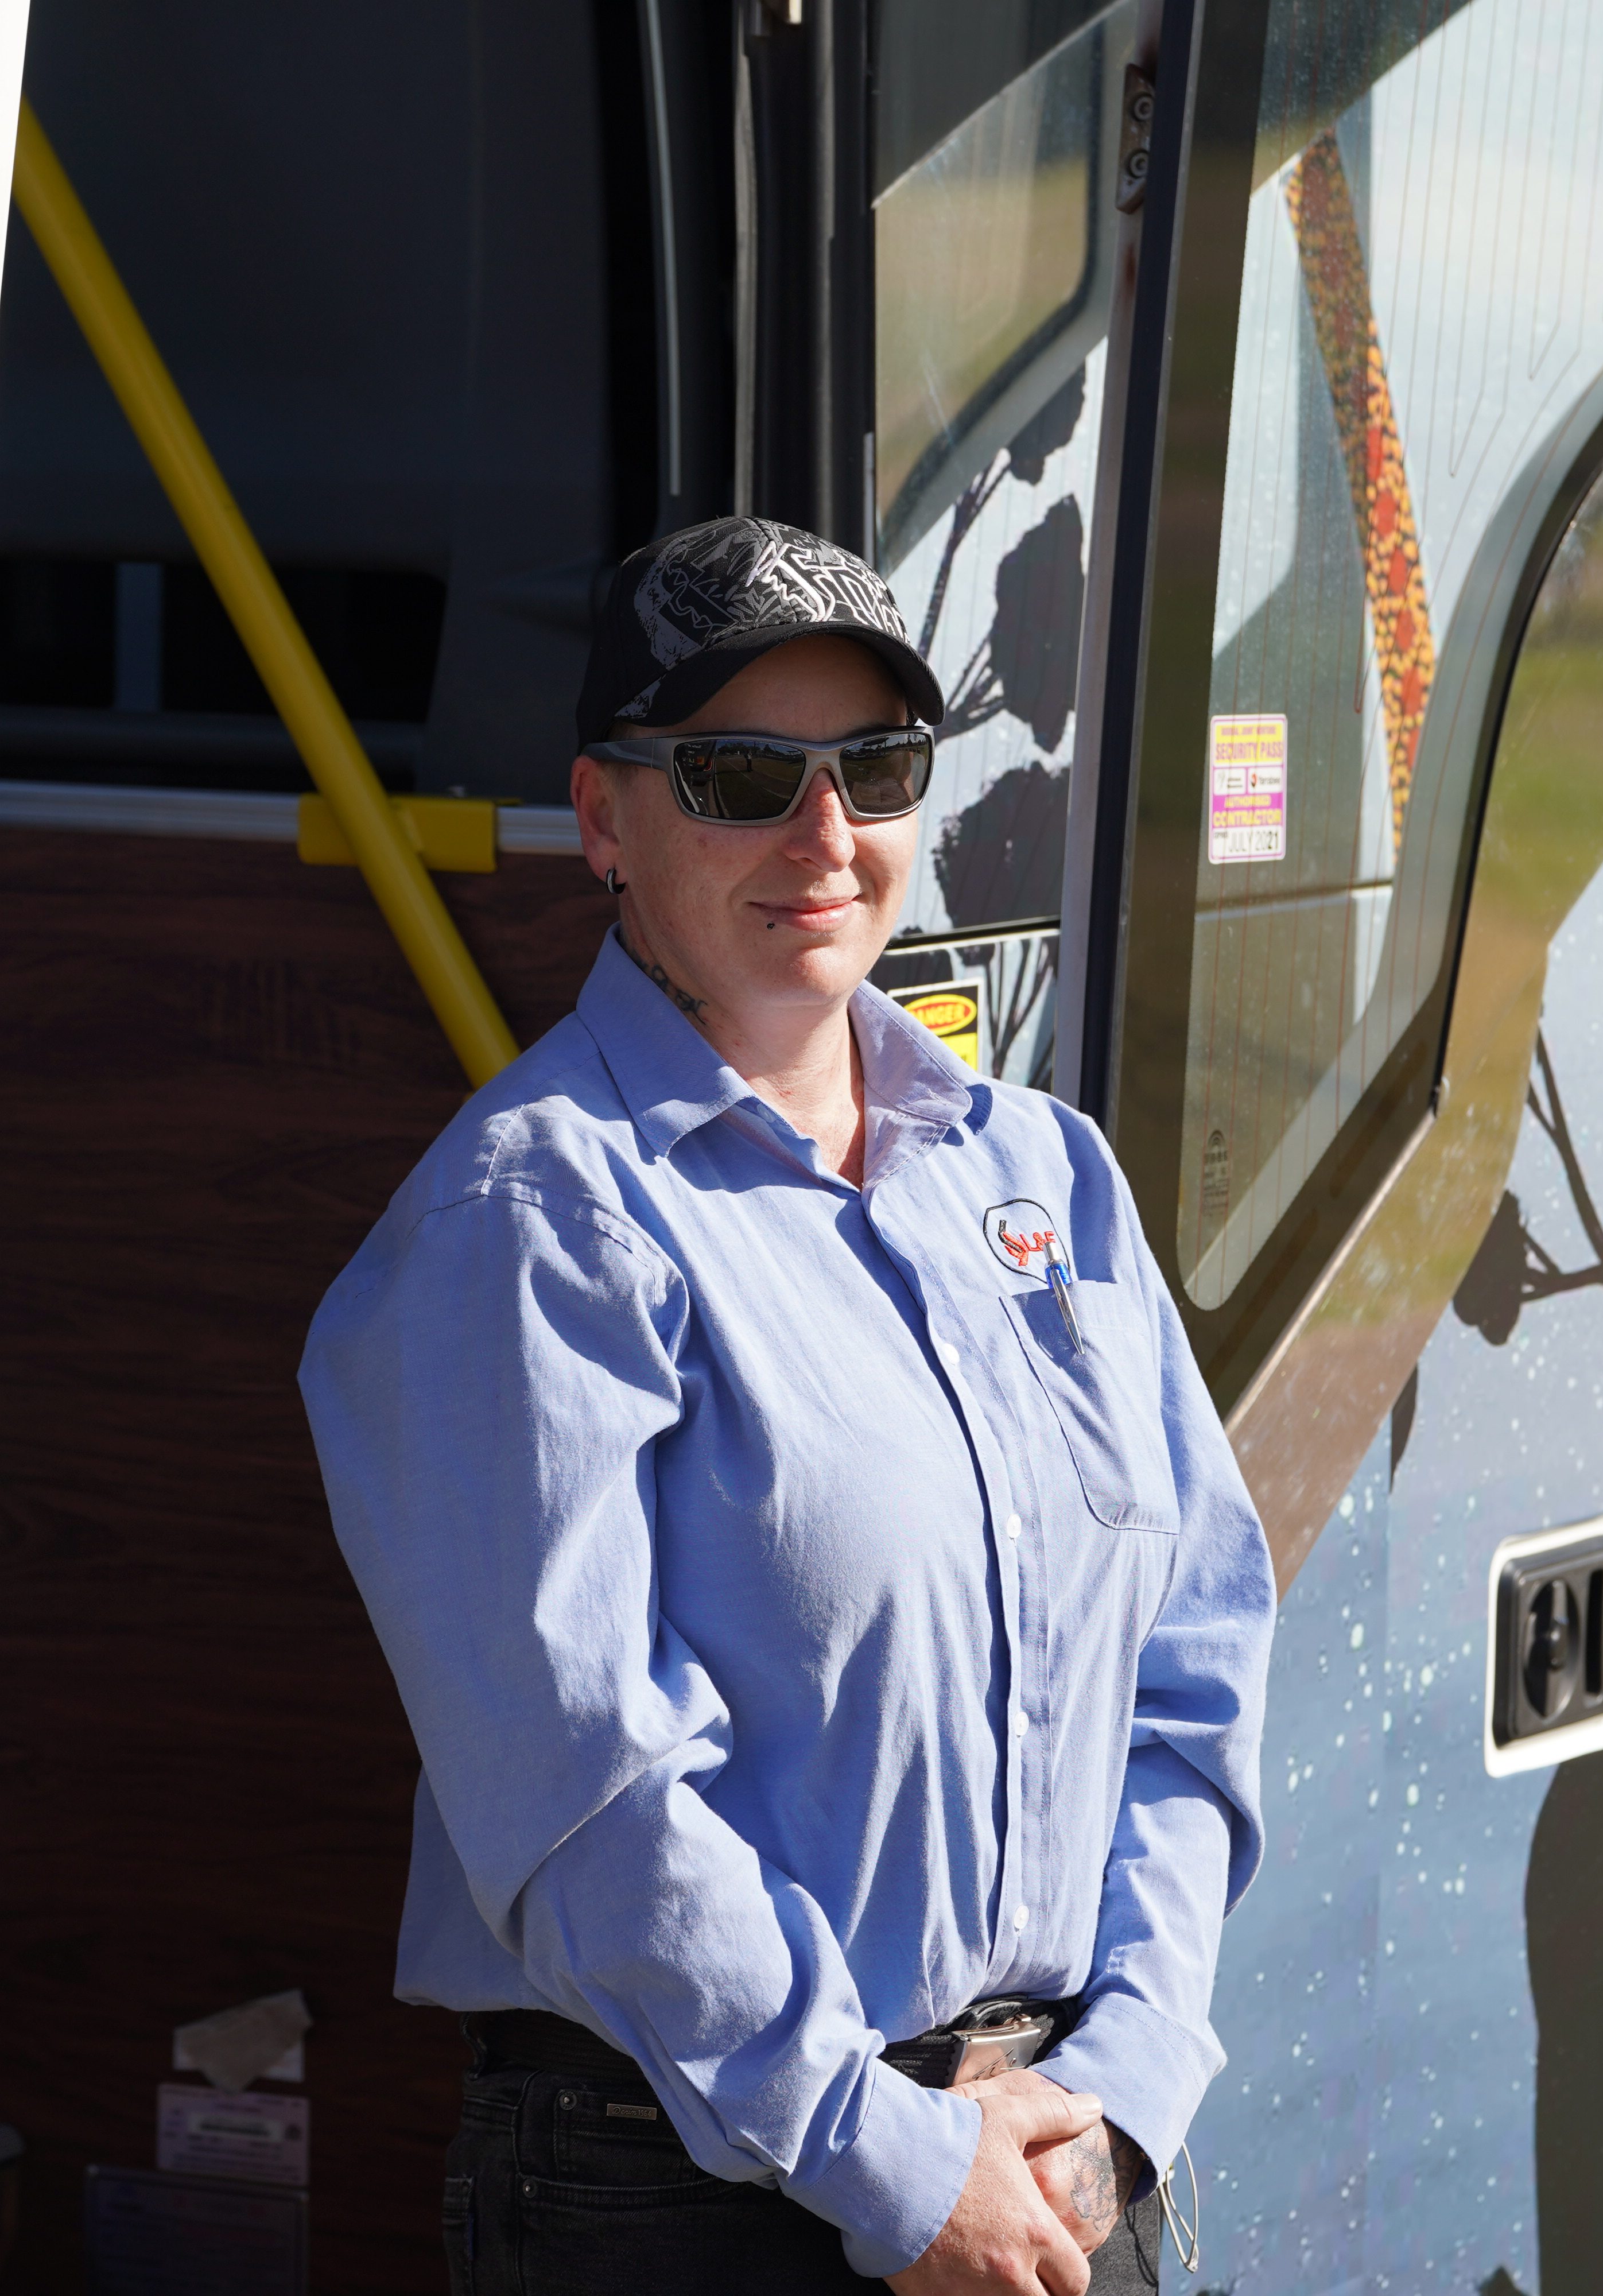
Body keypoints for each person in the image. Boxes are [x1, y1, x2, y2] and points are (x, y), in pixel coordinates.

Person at [302, 515, 1275, 2296]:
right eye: (745, 776)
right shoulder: (525, 1224)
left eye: (876, 768)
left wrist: (1126, 2081)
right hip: (686, 2202)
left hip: (1061, 2168)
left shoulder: (1049, 1174)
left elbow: (1194, 1673)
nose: (826, 836)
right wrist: (891, 2164)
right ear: (606, 820)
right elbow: (593, 1803)